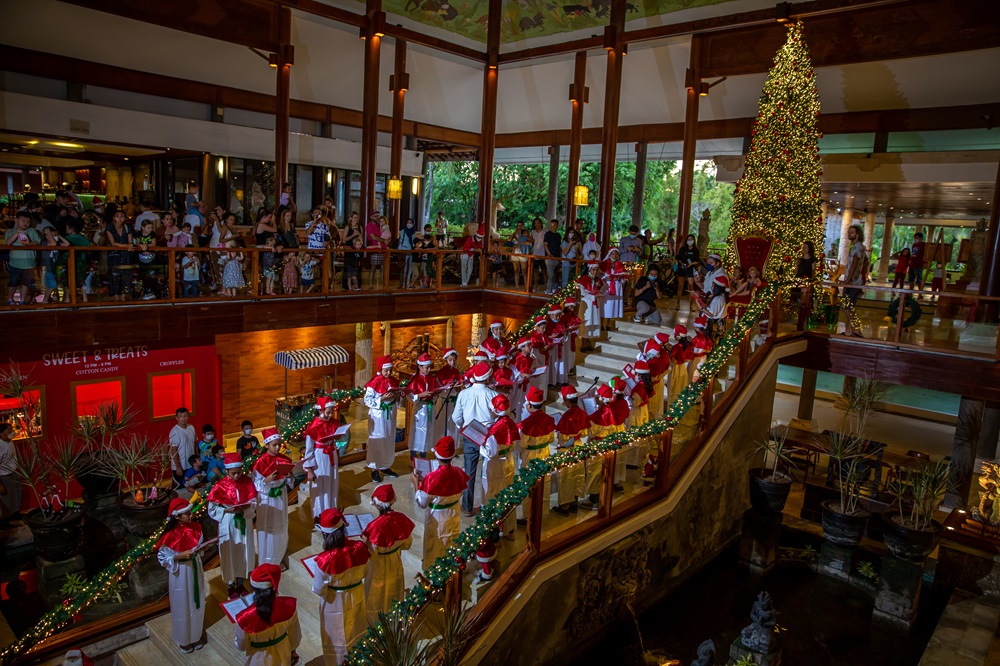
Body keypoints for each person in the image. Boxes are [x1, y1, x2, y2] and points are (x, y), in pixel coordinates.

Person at [312, 508, 370, 666]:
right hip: (357, 595)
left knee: (337, 638)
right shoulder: (359, 548)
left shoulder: (324, 560)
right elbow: (365, 572)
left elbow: (319, 589)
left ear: (325, 534)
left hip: (334, 602)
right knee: (357, 630)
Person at [155, 498, 206, 654]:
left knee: (196, 602)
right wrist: (179, 556)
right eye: (187, 513)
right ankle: (184, 639)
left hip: (195, 568)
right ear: (177, 516)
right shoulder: (170, 536)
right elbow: (163, 558)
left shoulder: (196, 528)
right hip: (180, 573)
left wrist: (201, 549)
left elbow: (199, 547)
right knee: (182, 605)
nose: (191, 515)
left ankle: (195, 635)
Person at [413, 436, 471, 569]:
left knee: (435, 545)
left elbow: (422, 503)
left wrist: (416, 483)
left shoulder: (431, 478)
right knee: (451, 542)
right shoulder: (459, 472)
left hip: (437, 517)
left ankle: (433, 573)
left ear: (437, 457)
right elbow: (461, 491)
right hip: (453, 513)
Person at [452, 361, 499, 517]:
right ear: (488, 378)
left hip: (470, 434)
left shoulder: (464, 394)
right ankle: (488, 506)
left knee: (469, 472)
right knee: (488, 471)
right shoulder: (493, 395)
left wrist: (463, 426)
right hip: (487, 436)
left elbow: (456, 417)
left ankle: (467, 507)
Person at [362, 485, 414, 623]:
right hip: (395, 561)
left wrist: (366, 543)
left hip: (378, 567)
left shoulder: (374, 527)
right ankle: (394, 619)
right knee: (394, 590)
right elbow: (407, 544)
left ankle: (375, 623)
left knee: (376, 595)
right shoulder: (401, 519)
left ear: (378, 505)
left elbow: (373, 554)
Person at [208, 453, 258, 599]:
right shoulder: (220, 486)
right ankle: (230, 585)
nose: (236, 476)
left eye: (239, 472)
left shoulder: (246, 481)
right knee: (229, 552)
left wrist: (247, 507)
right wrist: (226, 510)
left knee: (243, 551)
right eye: (233, 473)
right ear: (226, 471)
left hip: (244, 520)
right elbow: (212, 508)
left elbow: (254, 501)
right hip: (228, 522)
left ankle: (241, 583)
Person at [235, 564, 301, 666]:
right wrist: (292, 650)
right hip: (283, 653)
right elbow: (295, 638)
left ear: (253, 590)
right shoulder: (288, 607)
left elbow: (242, 646)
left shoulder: (245, 618)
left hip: (257, 659)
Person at [252, 428, 294, 566]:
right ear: (266, 445)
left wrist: (289, 477)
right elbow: (255, 484)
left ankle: (278, 556)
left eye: (279, 444)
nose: (277, 448)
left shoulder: (284, 459)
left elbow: (288, 480)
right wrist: (266, 480)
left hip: (280, 496)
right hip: (267, 499)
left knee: (280, 526)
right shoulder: (260, 462)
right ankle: (267, 561)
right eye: (274, 445)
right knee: (268, 529)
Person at [481, 394, 520, 538]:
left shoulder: (495, 429)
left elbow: (490, 453)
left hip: (495, 465)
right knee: (508, 495)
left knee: (492, 496)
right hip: (508, 461)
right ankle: (509, 529)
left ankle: (492, 532)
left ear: (495, 411)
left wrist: (480, 445)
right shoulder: (510, 423)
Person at [303, 396, 345, 520]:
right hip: (320, 457)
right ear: (321, 410)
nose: (330, 415)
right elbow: (309, 450)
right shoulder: (314, 427)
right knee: (321, 485)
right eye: (328, 412)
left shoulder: (332, 422)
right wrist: (310, 470)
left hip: (331, 454)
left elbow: (333, 437)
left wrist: (336, 438)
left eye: (332, 412)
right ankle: (319, 515)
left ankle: (331, 510)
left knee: (332, 482)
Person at [516, 386, 555, 520]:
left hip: (529, 456)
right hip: (545, 452)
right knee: (544, 482)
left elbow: (522, 444)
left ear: (530, 406)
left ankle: (528, 516)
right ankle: (541, 512)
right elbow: (551, 439)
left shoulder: (526, 424)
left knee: (528, 484)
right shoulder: (549, 419)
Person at [580, 384, 620, 510]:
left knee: (594, 472)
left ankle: (594, 500)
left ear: (602, 399)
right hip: (609, 444)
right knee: (605, 470)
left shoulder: (598, 416)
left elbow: (591, 433)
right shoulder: (612, 410)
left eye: (597, 397)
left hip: (597, 445)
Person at [363, 356, 401, 483]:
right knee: (377, 441)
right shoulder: (374, 382)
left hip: (390, 414)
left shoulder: (393, 381)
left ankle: (385, 465)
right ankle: (374, 469)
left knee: (388, 439)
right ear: (380, 369)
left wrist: (397, 396)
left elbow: (397, 397)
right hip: (378, 415)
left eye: (390, 370)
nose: (388, 373)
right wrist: (382, 399)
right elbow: (367, 401)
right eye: (386, 370)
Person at [552, 386, 589, 515]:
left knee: (565, 477)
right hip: (578, 446)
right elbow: (585, 432)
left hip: (566, 450)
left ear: (567, 400)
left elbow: (562, 437)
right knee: (578, 474)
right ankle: (574, 502)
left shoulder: (567, 417)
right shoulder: (582, 413)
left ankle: (564, 506)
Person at [407, 353, 440, 481]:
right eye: (426, 367)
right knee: (417, 432)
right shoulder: (415, 379)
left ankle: (424, 453)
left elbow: (436, 391)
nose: (429, 369)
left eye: (430, 367)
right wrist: (420, 395)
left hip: (429, 408)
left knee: (428, 431)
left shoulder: (432, 379)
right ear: (420, 367)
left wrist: (434, 395)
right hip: (419, 409)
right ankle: (414, 455)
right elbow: (409, 395)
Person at [842, 224, 868, 337]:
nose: (849, 234)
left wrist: (848, 280)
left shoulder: (858, 247)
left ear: (857, 234)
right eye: (849, 232)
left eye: (852, 232)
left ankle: (856, 329)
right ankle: (850, 330)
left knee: (847, 306)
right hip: (853, 281)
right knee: (849, 307)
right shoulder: (857, 247)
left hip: (853, 282)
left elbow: (854, 263)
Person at [577, 260, 603, 350]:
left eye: (596, 270)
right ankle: (583, 342)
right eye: (593, 270)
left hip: (595, 303)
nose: (595, 272)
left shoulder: (598, 279)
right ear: (589, 269)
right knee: (586, 320)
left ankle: (589, 341)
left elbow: (600, 289)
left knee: (593, 320)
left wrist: (599, 289)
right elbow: (583, 293)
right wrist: (593, 296)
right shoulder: (584, 279)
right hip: (587, 303)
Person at [169, 408, 197, 490]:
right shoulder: (175, 431)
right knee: (180, 488)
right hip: (181, 465)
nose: (183, 418)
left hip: (190, 464)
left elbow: (195, 444)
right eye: (181, 416)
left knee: (192, 486)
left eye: (185, 416)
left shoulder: (191, 427)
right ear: (176, 418)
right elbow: (174, 450)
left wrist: (195, 460)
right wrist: (178, 466)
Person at [0, 423, 22, 526]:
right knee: (8, 499)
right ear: (1, 433)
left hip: (13, 472)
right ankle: (6, 521)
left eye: (11, 429)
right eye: (8, 429)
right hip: (5, 475)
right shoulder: (0, 446)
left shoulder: (9, 441)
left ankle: (16, 516)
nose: (11, 431)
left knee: (17, 494)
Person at [674, 234, 701, 308]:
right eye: (688, 239)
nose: (690, 241)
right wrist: (682, 263)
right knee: (680, 286)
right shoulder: (683, 249)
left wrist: (691, 264)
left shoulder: (696, 250)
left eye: (691, 239)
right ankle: (678, 303)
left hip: (690, 269)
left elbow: (697, 261)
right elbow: (678, 257)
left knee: (690, 287)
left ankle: (691, 305)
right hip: (682, 268)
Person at [544, 306, 568, 387]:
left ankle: (560, 380)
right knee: (553, 364)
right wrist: (550, 337)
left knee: (561, 362)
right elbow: (544, 335)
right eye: (556, 315)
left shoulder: (560, 323)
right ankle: (551, 381)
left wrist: (565, 333)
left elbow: (563, 331)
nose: (558, 318)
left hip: (560, 345)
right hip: (552, 347)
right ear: (551, 315)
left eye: (559, 315)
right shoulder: (548, 324)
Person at [561, 298, 582, 378]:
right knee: (567, 354)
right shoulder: (563, 316)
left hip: (572, 337)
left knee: (571, 354)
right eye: (570, 307)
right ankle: (566, 369)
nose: (572, 309)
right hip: (566, 338)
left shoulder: (574, 316)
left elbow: (577, 323)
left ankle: (570, 368)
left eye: (573, 307)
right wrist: (568, 329)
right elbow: (562, 327)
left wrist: (575, 329)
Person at [509, 221, 532, 289]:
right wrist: (514, 232)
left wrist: (520, 243)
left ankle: (526, 286)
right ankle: (517, 286)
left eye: (521, 225)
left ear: (523, 226)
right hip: (515, 253)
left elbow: (530, 241)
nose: (520, 227)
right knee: (516, 270)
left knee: (524, 270)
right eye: (518, 225)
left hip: (523, 252)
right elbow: (509, 239)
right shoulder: (515, 234)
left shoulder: (526, 233)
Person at [543, 219, 563, 293]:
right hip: (550, 257)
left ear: (557, 226)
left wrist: (560, 257)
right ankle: (548, 289)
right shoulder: (547, 234)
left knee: (555, 274)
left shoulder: (558, 235)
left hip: (557, 257)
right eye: (551, 225)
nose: (553, 227)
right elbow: (545, 245)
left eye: (554, 225)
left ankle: (553, 288)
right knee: (551, 274)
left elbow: (559, 247)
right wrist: (549, 254)